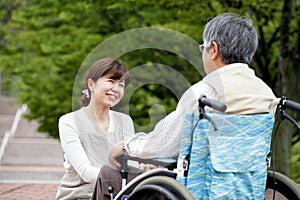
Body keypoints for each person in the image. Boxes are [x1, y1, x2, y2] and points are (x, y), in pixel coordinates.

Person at [109, 12, 276, 170]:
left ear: (213, 50)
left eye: (203, 47)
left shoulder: (205, 92)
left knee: (108, 174)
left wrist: (126, 145)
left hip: (200, 187)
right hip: (246, 188)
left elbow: (163, 144)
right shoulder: (267, 95)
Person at [55, 57, 136, 200]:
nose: (116, 89)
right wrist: (125, 179)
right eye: (111, 81)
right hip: (80, 196)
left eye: (121, 85)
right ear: (91, 85)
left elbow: (132, 166)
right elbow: (85, 172)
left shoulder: (125, 121)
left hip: (115, 195)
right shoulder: (69, 121)